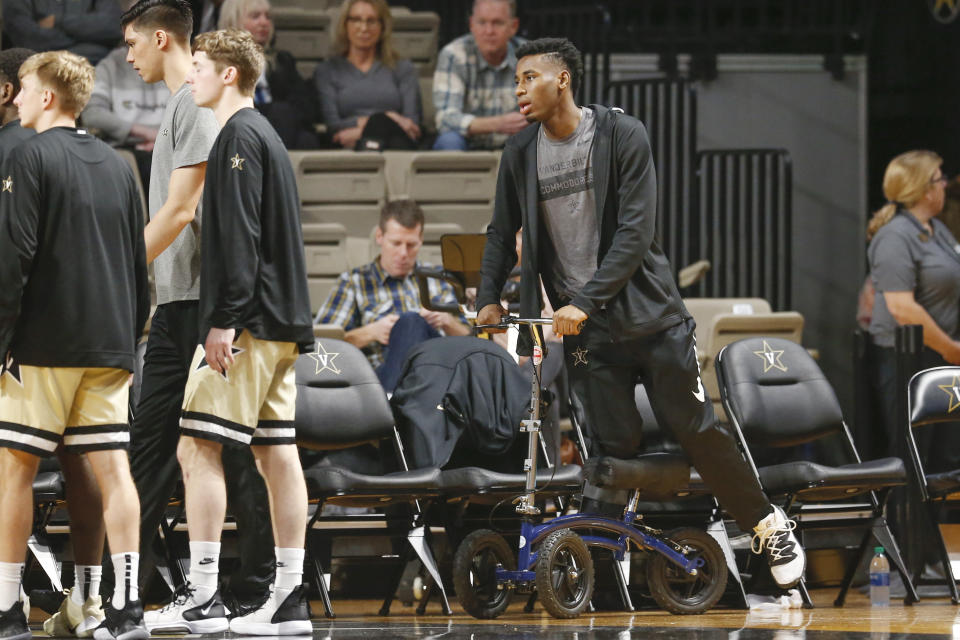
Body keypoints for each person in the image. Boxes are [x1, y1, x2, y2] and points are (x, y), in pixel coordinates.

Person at [475, 37, 806, 590]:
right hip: (589, 332)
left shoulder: (621, 134)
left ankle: (767, 525)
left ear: (562, 80)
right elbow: (498, 229)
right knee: (610, 446)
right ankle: (603, 569)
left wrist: (583, 300)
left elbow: (636, 234)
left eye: (529, 77)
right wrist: (488, 294)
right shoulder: (519, 152)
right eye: (516, 80)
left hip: (650, 318)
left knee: (697, 429)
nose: (519, 90)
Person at [143, 28, 314, 636]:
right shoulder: (265, 132)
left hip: (249, 324)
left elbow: (240, 239)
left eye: (199, 67)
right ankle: (290, 598)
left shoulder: (237, 135)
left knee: (197, 446)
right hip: (282, 322)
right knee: (275, 453)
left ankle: (205, 595)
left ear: (229, 75)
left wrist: (224, 321)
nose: (191, 77)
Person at [120, 0, 275, 620]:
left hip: (201, 304)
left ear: (162, 38)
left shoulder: (197, 103)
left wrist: (117, 271)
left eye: (133, 42)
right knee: (163, 446)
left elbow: (184, 211)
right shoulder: (181, 102)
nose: (128, 55)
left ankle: (255, 584)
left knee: (222, 448)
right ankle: (133, 586)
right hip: (180, 298)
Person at [0, 49, 150, 640]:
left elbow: (14, 257)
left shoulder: (28, 155)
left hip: (43, 342)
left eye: (24, 89)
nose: (14, 98)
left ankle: (8, 608)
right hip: (110, 342)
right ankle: (128, 605)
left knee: (13, 471)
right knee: (115, 473)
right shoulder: (118, 164)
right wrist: (130, 337)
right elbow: (138, 265)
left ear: (45, 96)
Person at [314, 199, 471, 392]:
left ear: (421, 241)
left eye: (411, 245)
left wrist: (447, 321)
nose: (403, 253)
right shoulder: (354, 282)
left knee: (412, 323)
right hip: (380, 377)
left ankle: (398, 411)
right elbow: (322, 347)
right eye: (396, 243)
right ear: (379, 237)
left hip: (438, 373)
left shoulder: (440, 279)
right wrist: (370, 333)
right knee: (410, 322)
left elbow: (478, 343)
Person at [866, 150, 960, 470]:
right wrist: (950, 349)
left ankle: (934, 522)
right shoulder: (895, 236)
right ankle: (902, 522)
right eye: (940, 178)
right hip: (906, 358)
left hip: (938, 357)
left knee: (943, 456)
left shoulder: (936, 229)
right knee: (913, 452)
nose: (945, 185)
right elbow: (901, 307)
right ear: (924, 188)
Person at [314, 0, 421, 150]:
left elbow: (412, 127)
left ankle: (369, 147)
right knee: (380, 121)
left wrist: (360, 130)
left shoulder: (403, 68)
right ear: (345, 24)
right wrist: (390, 117)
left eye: (371, 21)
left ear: (382, 26)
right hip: (348, 150)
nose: (364, 28)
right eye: (356, 20)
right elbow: (333, 126)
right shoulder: (328, 70)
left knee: (382, 123)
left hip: (397, 145)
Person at [217, 0, 319, 149]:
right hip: (241, 133)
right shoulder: (218, 63)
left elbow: (305, 107)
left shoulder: (283, 61)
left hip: (281, 130)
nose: (264, 22)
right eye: (255, 16)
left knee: (306, 139)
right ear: (234, 21)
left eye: (268, 17)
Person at [432, 0, 527, 151]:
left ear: (513, 27)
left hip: (515, 143)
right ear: (471, 25)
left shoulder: (530, 57)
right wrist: (497, 124)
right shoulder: (454, 55)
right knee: (449, 141)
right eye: (482, 22)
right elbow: (445, 119)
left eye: (497, 23)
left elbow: (549, 116)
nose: (489, 31)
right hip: (467, 142)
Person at [81, 44, 170, 188]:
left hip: (170, 146)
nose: (130, 56)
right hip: (125, 148)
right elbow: (92, 114)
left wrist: (163, 140)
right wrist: (143, 132)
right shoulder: (111, 64)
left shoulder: (178, 64)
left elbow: (194, 116)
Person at [0, 0, 123, 65]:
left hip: (92, 70)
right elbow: (28, 39)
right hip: (35, 68)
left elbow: (115, 26)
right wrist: (86, 37)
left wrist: (58, 21)